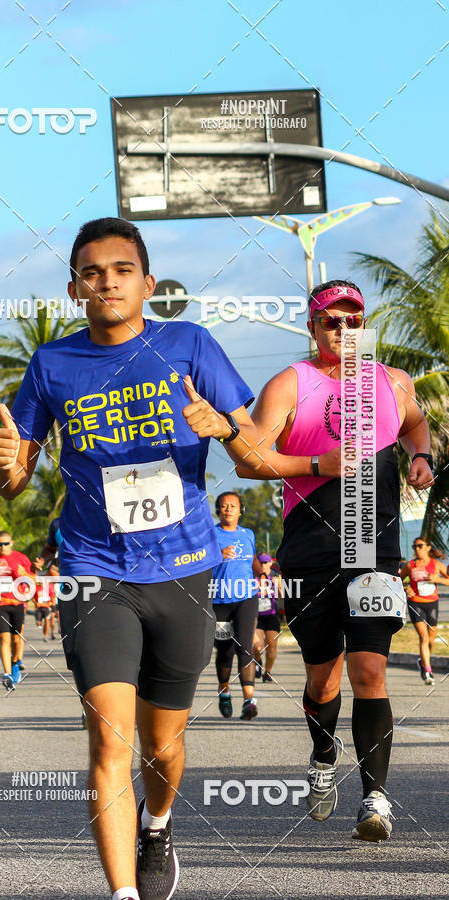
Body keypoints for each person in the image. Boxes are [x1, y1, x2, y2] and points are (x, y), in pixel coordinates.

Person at [0, 217, 264, 900]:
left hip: (184, 567)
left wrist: (224, 426)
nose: (106, 281)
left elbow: (253, 451)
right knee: (110, 744)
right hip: (93, 568)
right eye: (91, 272)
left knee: (161, 747)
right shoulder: (52, 363)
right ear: (75, 288)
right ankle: (122, 895)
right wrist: (4, 467)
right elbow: (16, 476)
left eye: (120, 270)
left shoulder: (191, 345)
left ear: (146, 282)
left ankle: (159, 821)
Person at [224, 279, 434, 842]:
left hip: (374, 544)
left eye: (353, 321)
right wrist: (320, 463)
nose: (343, 331)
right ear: (313, 327)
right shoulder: (292, 382)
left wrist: (421, 455)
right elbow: (247, 458)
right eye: (330, 321)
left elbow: (414, 421)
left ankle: (375, 799)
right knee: (324, 678)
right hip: (310, 549)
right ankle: (322, 756)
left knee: (370, 671)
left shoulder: (392, 381)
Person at [211, 491, 261, 720]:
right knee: (225, 650)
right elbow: (198, 561)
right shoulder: (210, 534)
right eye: (223, 506)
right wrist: (217, 555)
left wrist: (263, 574)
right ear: (218, 510)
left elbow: (252, 561)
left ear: (241, 510)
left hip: (246, 597)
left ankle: (249, 701)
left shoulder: (248, 534)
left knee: (245, 647)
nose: (228, 509)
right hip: (219, 599)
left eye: (232, 506)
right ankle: (224, 692)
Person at [0, 531, 35, 691]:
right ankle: (7, 674)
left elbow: (33, 579)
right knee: (4, 639)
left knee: (16, 640)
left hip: (17, 604)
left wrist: (24, 574)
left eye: (5, 544)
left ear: (11, 543)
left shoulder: (21, 558)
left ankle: (15, 663)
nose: (2, 547)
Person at [400, 538, 449, 686]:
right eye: (414, 546)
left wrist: (438, 579)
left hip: (432, 603)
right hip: (416, 603)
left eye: (420, 546)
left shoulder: (437, 565)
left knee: (431, 639)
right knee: (424, 637)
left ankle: (423, 660)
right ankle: (428, 671)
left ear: (428, 547)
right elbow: (399, 580)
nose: (417, 549)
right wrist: (406, 588)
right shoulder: (410, 565)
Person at [252, 553, 283, 683]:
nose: (264, 565)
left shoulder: (276, 578)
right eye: (261, 563)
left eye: (266, 562)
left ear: (271, 563)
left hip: (272, 616)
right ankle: (258, 660)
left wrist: (279, 586)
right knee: (256, 646)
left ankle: (268, 672)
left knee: (271, 645)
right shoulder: (252, 578)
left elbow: (283, 597)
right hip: (256, 616)